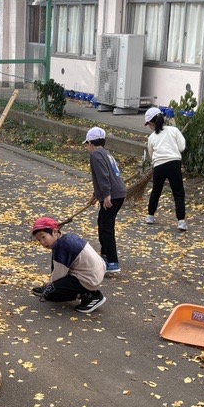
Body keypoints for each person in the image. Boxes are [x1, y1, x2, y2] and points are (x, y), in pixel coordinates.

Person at [30, 217, 106, 314]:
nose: (42, 242)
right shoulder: (65, 239)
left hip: (88, 278)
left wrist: (50, 286)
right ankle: (85, 291)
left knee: (50, 294)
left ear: (54, 232)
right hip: (94, 272)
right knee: (52, 282)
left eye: (43, 237)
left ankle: (90, 295)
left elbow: (59, 274)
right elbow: (57, 265)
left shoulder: (62, 246)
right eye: (39, 240)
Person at [84, 127, 127, 275]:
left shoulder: (95, 155)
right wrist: (95, 195)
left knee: (106, 227)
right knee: (102, 223)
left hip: (112, 195)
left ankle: (112, 262)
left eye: (87, 144)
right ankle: (105, 256)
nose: (86, 147)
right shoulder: (106, 153)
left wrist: (106, 194)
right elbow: (103, 177)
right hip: (118, 193)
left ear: (91, 143)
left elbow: (103, 175)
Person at [143, 107, 188, 231]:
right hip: (174, 164)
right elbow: (182, 147)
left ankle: (150, 216)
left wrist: (157, 160)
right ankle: (181, 222)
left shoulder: (152, 137)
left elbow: (151, 154)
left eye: (148, 124)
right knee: (178, 193)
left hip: (159, 166)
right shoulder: (174, 130)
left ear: (151, 123)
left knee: (156, 191)